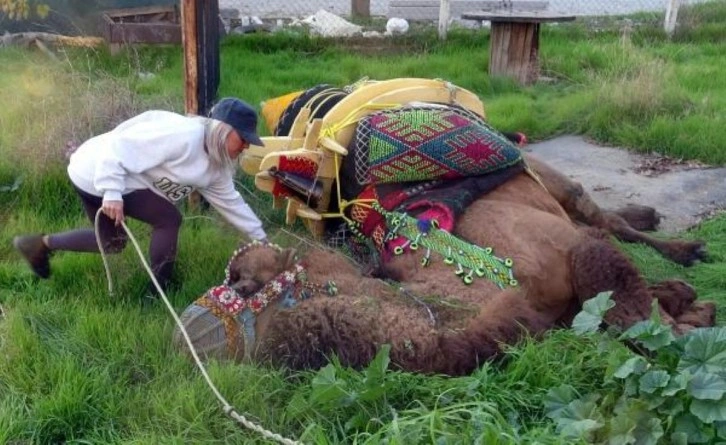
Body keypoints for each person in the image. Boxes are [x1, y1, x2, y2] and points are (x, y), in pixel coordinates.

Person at [13, 97, 268, 295]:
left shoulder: (217, 165)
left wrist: (262, 240)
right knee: (168, 219)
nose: (246, 145)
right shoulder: (184, 135)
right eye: (243, 138)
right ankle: (159, 290)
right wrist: (112, 191)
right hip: (98, 171)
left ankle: (39, 244)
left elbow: (231, 203)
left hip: (100, 176)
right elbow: (120, 146)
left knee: (111, 242)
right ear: (224, 130)